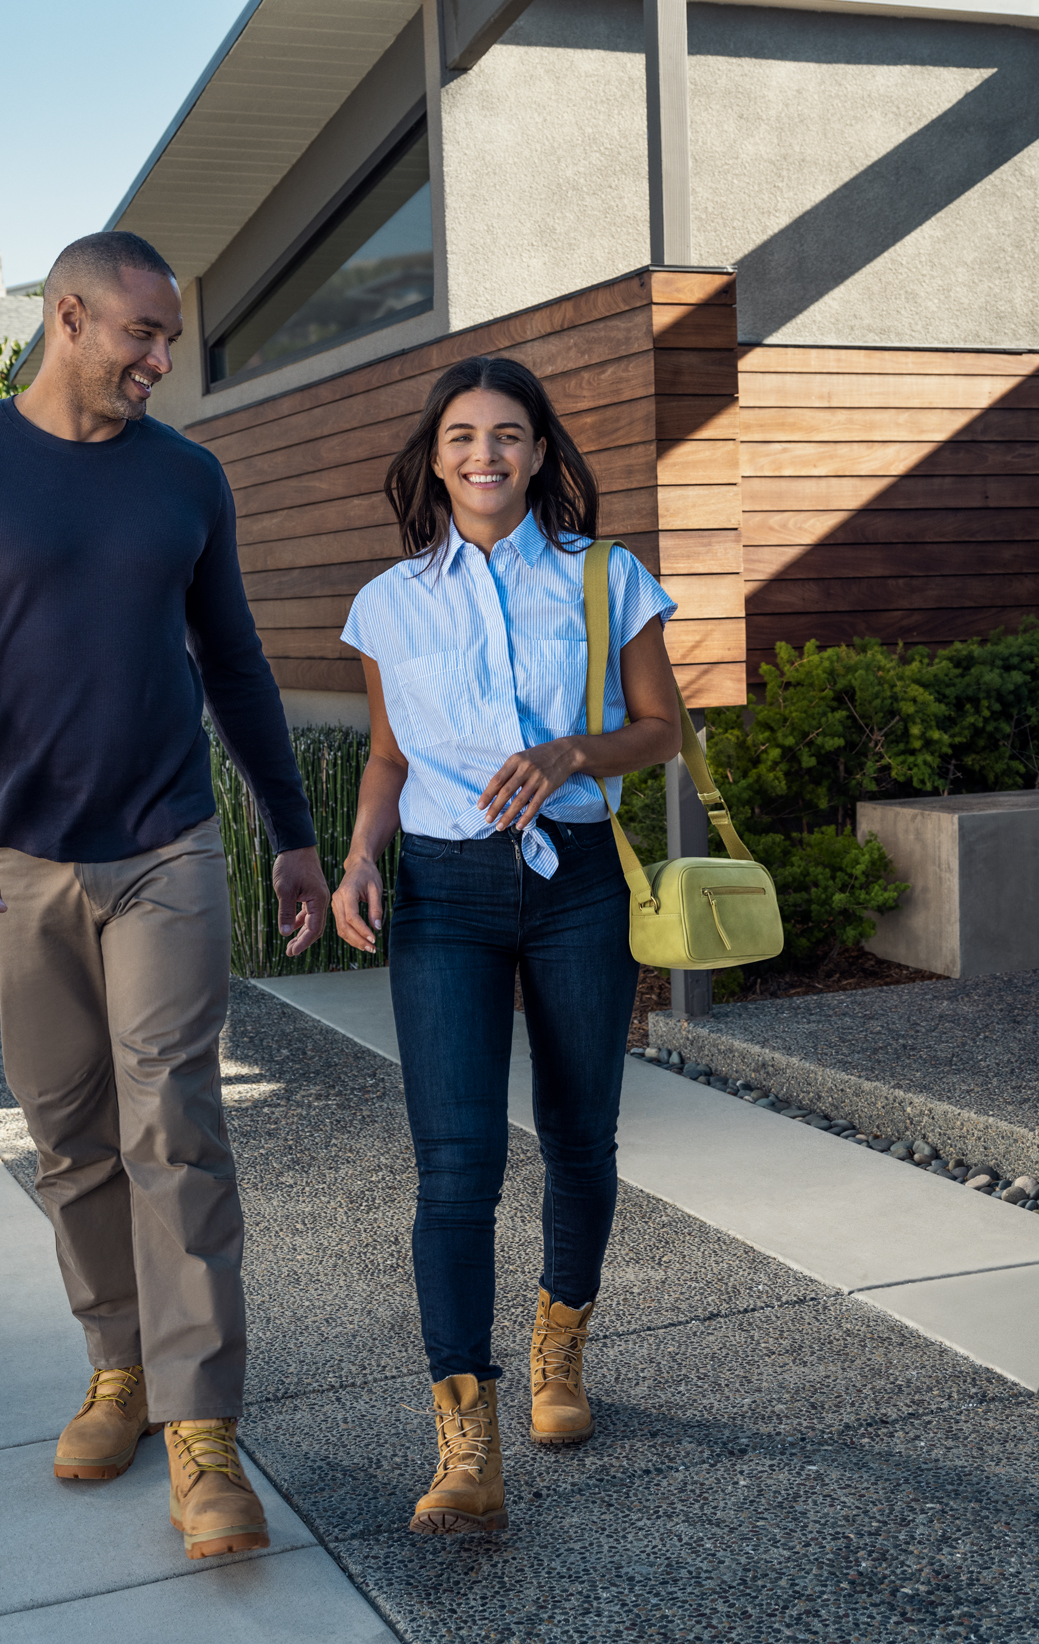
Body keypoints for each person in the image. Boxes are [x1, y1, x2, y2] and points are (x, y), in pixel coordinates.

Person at [0, 230, 330, 1562]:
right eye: (142, 333)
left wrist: (289, 834)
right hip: (19, 863)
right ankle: (118, 1370)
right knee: (67, 1130)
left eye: (170, 338)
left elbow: (232, 657)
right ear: (69, 317)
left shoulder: (187, 476)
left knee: (174, 1124)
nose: (162, 360)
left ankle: (201, 1430)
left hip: (166, 845)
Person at [331, 355, 681, 1535]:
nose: (485, 453)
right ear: (434, 455)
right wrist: (359, 858)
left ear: (539, 452)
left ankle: (559, 1347)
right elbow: (386, 758)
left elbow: (659, 728)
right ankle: (465, 1442)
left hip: (576, 883)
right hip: (441, 895)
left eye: (510, 434)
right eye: (463, 435)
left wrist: (572, 755)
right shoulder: (388, 604)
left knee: (581, 1138)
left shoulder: (605, 577)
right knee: (456, 1167)